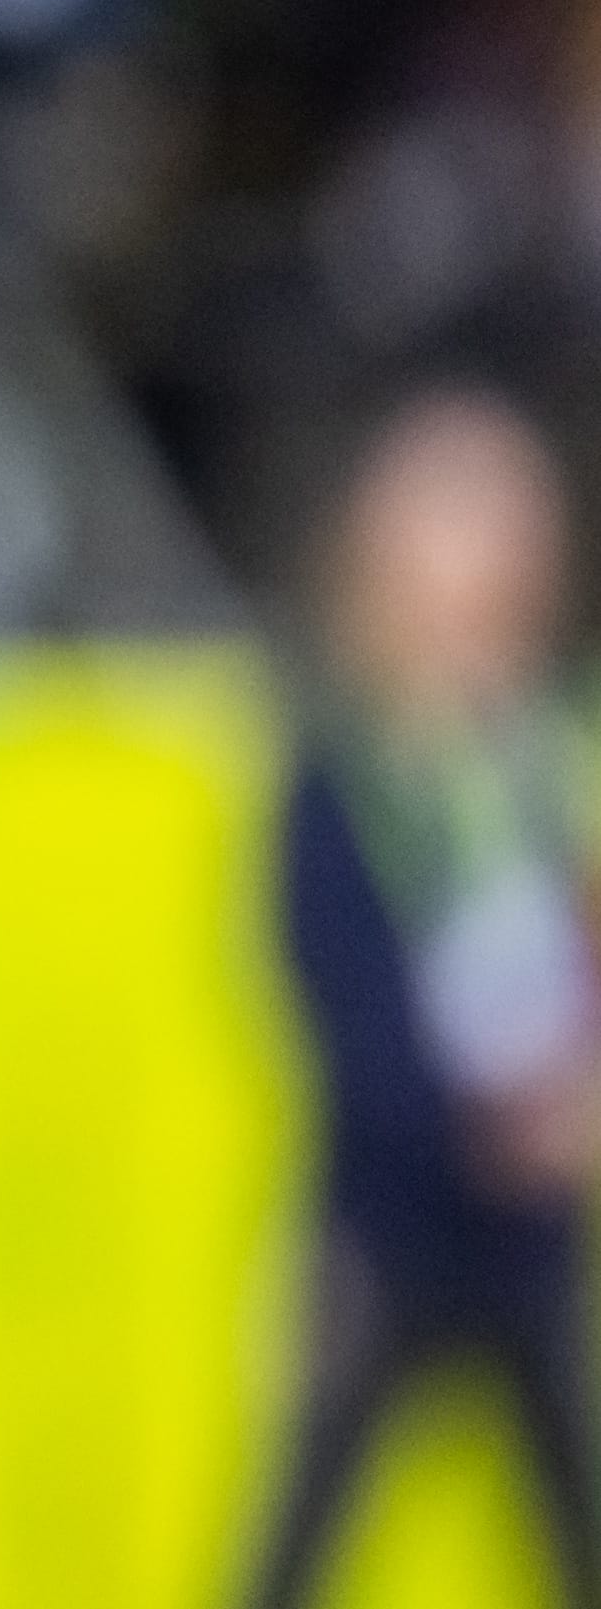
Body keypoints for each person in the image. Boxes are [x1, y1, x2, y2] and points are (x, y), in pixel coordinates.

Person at [250, 383, 601, 1607]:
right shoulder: (345, 775)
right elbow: (345, 1014)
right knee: (297, 1543)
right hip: (387, 1235)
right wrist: (499, 1122)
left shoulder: (548, 759)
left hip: (530, 1244)